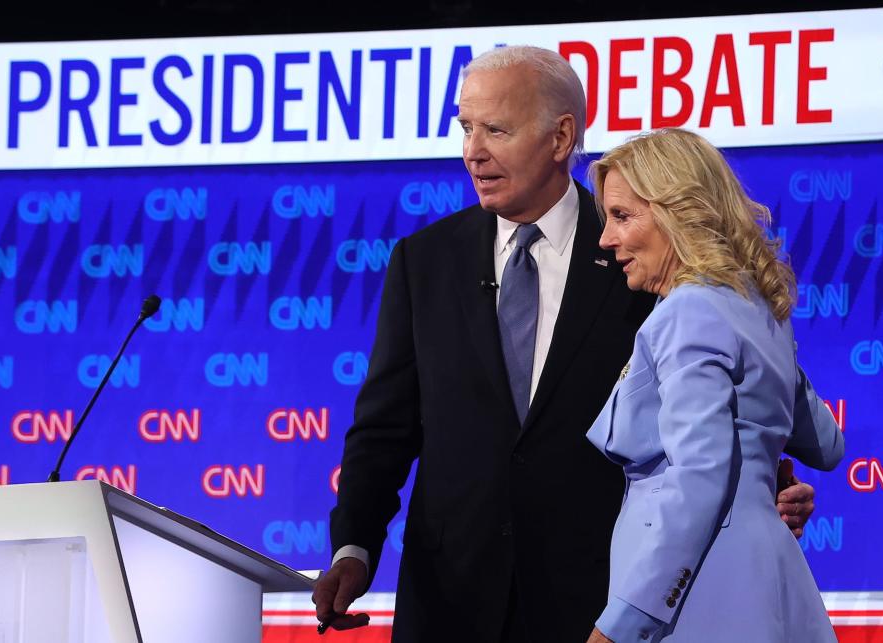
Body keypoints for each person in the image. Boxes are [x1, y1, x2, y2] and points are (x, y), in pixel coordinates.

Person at [314, 47, 820, 643]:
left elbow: (722, 402)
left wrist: (766, 482)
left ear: (561, 138)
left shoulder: (640, 255)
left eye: (496, 129)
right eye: (466, 128)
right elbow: (384, 429)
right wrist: (354, 547)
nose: (473, 151)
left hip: (600, 603)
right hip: (451, 603)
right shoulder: (423, 262)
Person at [585, 128, 844, 643]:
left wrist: (621, 627)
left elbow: (698, 480)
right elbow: (828, 444)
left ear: (678, 210)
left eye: (622, 215)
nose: (606, 239)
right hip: (766, 576)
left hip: (705, 590)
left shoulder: (688, 311)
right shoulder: (756, 306)